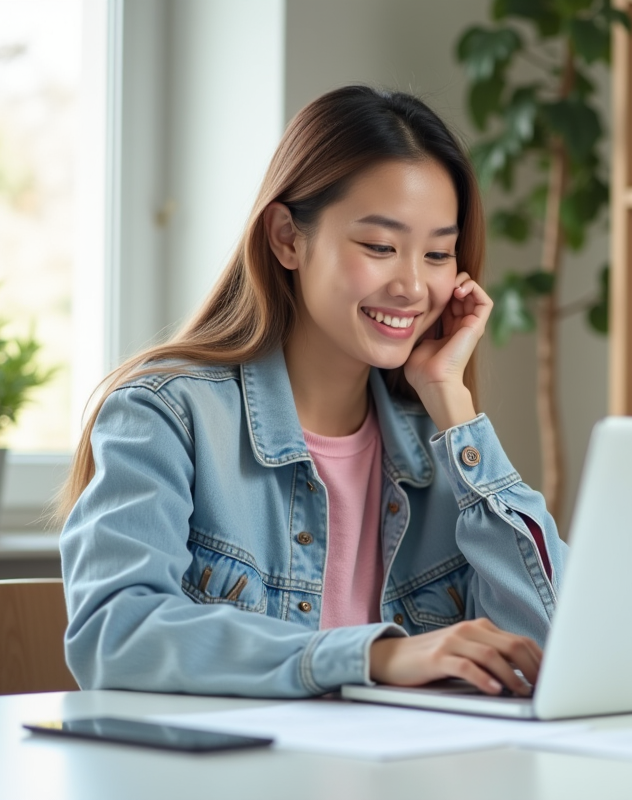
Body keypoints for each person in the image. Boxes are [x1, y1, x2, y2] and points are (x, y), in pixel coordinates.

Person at [58, 86, 566, 699]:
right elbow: (115, 639)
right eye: (379, 246)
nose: (412, 285)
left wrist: (454, 408)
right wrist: (372, 657)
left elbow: (553, 650)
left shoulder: (442, 449)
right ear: (287, 239)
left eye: (437, 253)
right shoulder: (166, 415)